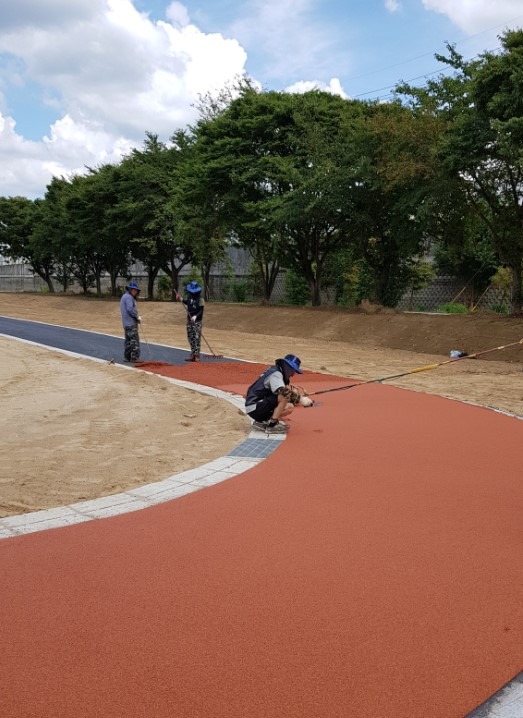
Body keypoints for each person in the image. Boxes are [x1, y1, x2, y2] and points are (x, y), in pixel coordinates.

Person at [245, 354, 304, 434]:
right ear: (286, 366)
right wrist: (300, 399)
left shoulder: (276, 370)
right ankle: (272, 425)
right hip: (255, 407)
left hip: (253, 406)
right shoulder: (277, 374)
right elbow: (283, 392)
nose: (293, 374)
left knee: (289, 406)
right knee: (285, 398)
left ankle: (261, 422)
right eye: (293, 370)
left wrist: (292, 392)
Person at [177, 280, 204, 362]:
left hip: (197, 321)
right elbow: (187, 303)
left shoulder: (200, 299)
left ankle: (197, 355)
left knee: (196, 338)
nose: (193, 293)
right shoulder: (189, 296)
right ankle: (192, 354)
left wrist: (196, 316)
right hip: (189, 320)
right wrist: (181, 299)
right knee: (190, 337)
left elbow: (201, 310)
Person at [120, 282, 143, 364]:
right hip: (131, 323)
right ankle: (135, 357)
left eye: (136, 290)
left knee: (128, 341)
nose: (135, 292)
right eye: (134, 290)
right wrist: (136, 316)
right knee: (134, 341)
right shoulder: (129, 297)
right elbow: (130, 309)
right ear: (130, 290)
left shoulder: (124, 296)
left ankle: (127, 357)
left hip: (126, 323)